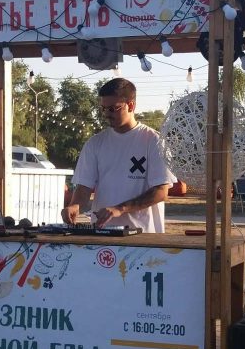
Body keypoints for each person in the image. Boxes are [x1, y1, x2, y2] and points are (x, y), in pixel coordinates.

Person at [61, 78, 176, 233]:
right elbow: (84, 187)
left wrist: (120, 209)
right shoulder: (95, 143)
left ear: (131, 105)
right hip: (102, 235)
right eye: (103, 109)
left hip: (144, 237)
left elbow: (161, 192)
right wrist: (75, 205)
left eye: (113, 108)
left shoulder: (154, 141)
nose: (106, 114)